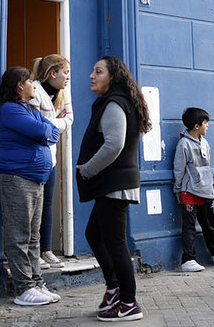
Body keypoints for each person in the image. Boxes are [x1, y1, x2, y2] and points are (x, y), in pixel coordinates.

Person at [76, 56, 151, 322]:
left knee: (116, 243)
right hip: (114, 184)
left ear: (113, 77)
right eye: (93, 70)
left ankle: (129, 302)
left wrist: (87, 170)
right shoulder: (118, 101)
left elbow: (113, 145)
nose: (91, 75)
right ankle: (114, 287)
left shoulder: (114, 104)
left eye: (98, 71)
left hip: (114, 184)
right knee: (94, 234)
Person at [0, 66, 62, 306]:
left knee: (33, 236)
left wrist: (46, 131)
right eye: (31, 82)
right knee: (19, 235)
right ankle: (23, 289)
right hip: (15, 178)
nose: (34, 85)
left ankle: (36, 283)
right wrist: (46, 131)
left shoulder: (29, 109)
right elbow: (42, 130)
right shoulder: (10, 110)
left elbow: (51, 130)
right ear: (20, 85)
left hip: (34, 179)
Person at [29, 54, 74, 270]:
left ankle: (46, 250)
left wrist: (50, 124)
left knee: (47, 203)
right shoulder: (35, 90)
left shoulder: (63, 93)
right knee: (33, 205)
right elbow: (35, 123)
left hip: (51, 158)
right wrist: (56, 123)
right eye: (65, 72)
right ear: (52, 73)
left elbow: (70, 119)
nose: (68, 77)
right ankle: (33, 252)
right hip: (35, 157)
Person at [173, 107, 214, 272]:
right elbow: (179, 169)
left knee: (209, 225)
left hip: (205, 190)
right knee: (189, 227)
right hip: (189, 191)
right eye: (205, 123)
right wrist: (178, 189)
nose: (207, 126)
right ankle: (188, 260)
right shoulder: (184, 144)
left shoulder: (205, 142)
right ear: (197, 126)